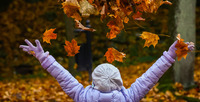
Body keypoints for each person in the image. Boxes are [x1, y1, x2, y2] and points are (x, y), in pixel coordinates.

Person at [19, 39, 194, 102]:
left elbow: (63, 76)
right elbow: (150, 76)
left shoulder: (83, 97)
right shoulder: (128, 98)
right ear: (119, 82)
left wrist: (43, 57)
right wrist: (170, 55)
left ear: (94, 83)